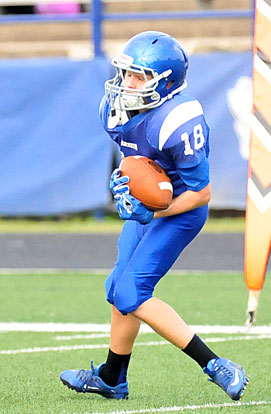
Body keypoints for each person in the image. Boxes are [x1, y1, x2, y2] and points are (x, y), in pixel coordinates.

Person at [60, 31, 248, 401]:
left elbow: (202, 193)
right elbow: (137, 159)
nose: (126, 82)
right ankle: (113, 378)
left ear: (165, 83)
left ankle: (215, 364)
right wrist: (130, 183)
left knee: (130, 291)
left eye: (138, 76)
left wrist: (153, 207)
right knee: (117, 290)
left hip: (182, 210)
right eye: (125, 73)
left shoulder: (179, 119)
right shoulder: (113, 108)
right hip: (149, 208)